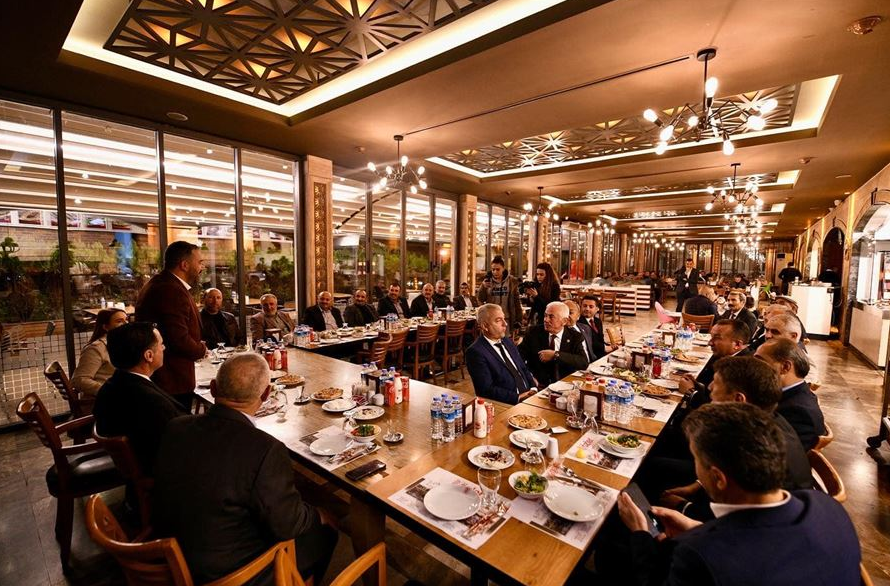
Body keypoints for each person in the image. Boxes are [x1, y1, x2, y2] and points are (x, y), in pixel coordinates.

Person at [616, 402, 861, 586]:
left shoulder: (702, 555)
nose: (695, 468)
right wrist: (698, 528)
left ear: (718, 478)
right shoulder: (826, 506)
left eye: (697, 460)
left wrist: (640, 533)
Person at [152, 353, 338, 586]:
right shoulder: (265, 449)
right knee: (326, 531)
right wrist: (319, 514)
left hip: (169, 550)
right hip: (229, 573)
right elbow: (288, 525)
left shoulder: (176, 427)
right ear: (266, 394)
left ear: (213, 388)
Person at [658, 357, 813, 520]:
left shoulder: (753, 444)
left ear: (738, 399)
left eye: (716, 383)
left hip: (761, 522)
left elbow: (740, 515)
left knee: (653, 467)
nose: (709, 387)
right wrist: (697, 485)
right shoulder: (765, 421)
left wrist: (683, 507)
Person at [93, 322, 187, 474]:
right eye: (161, 344)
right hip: (164, 473)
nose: (164, 348)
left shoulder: (114, 384)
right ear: (149, 355)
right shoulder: (149, 402)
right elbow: (178, 445)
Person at [135, 241, 207, 407]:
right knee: (175, 421)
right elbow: (177, 339)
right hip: (171, 380)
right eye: (199, 262)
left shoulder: (163, 283)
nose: (202, 267)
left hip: (167, 377)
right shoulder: (170, 289)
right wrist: (201, 349)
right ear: (184, 265)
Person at [755, 338, 826, 451]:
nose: (754, 367)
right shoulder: (790, 393)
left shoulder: (798, 412)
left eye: (760, 362)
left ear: (785, 367)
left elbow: (772, 453)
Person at [465, 304, 537, 404]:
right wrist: (518, 397)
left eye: (504, 319)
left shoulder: (507, 341)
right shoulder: (475, 352)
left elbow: (522, 368)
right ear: (485, 326)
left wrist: (533, 388)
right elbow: (485, 389)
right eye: (498, 320)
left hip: (530, 397)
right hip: (508, 403)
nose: (505, 324)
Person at [678, 319, 751, 407]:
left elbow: (718, 407)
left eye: (717, 338)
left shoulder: (742, 368)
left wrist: (691, 392)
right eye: (711, 337)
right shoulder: (723, 356)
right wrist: (697, 384)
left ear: (737, 344)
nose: (710, 343)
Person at [518, 301, 588, 387]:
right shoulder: (533, 332)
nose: (546, 320)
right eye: (545, 315)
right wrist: (529, 376)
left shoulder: (575, 336)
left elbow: (583, 362)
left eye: (551, 317)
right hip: (539, 384)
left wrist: (556, 355)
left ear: (564, 321)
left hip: (565, 384)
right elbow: (518, 357)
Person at [71, 307, 128, 397]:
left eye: (126, 320)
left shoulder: (124, 344)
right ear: (106, 327)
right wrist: (110, 392)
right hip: (104, 400)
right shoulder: (96, 348)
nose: (126, 324)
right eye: (119, 321)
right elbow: (79, 380)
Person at [477, 255, 522, 335]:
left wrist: (518, 321)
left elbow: (517, 302)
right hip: (491, 319)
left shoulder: (511, 281)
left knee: (504, 340)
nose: (495, 272)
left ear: (503, 269)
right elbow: (480, 299)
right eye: (493, 269)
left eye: (498, 269)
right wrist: (483, 287)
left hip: (506, 318)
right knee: (490, 340)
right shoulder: (487, 281)